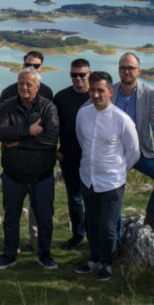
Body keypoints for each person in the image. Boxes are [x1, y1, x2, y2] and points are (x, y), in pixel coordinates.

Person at [74, 71, 140, 282]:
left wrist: (118, 171)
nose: (95, 95)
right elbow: (81, 139)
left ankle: (107, 263)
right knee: (91, 222)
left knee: (108, 226)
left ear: (110, 92)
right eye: (92, 90)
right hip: (88, 179)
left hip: (112, 183)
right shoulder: (83, 114)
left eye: (100, 90)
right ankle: (93, 258)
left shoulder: (122, 120)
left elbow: (134, 152)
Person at [0, 68, 60, 270]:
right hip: (14, 175)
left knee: (44, 219)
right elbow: (0, 133)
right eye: (21, 83)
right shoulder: (7, 106)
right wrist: (28, 132)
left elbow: (50, 140)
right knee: (11, 218)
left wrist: (18, 143)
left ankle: (45, 255)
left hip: (42, 176)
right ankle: (9, 254)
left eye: (29, 84)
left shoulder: (48, 108)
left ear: (37, 87)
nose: (24, 87)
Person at [112, 52, 154, 239]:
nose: (127, 72)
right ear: (118, 70)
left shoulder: (149, 93)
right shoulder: (110, 91)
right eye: (123, 68)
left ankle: (153, 217)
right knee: (113, 192)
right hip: (115, 154)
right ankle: (114, 239)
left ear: (139, 71)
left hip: (141, 152)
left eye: (131, 68)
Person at [53, 58, 91, 250]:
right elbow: (52, 127)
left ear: (89, 75)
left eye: (82, 75)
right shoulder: (61, 97)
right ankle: (78, 235)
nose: (77, 78)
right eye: (74, 75)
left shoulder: (97, 96)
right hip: (69, 158)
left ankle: (95, 237)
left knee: (93, 199)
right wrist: (56, 151)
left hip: (93, 160)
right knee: (75, 199)